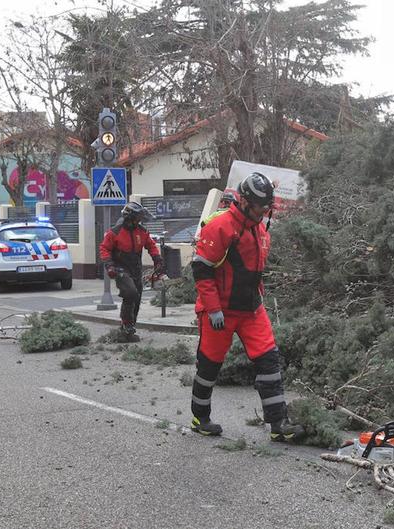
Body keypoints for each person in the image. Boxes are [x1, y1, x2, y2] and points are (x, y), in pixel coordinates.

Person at [190, 172, 304, 442]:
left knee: (269, 361)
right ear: (244, 203)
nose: (265, 212)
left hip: (251, 310)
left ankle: (278, 424)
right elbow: (202, 270)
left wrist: (258, 297)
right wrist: (213, 308)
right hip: (220, 311)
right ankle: (200, 417)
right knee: (209, 367)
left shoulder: (260, 229)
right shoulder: (220, 227)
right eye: (261, 207)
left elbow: (255, 270)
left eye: (268, 208)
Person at [99, 201, 163, 343]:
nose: (139, 221)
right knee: (130, 293)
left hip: (136, 268)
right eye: (137, 218)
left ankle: (129, 327)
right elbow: (104, 248)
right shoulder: (115, 232)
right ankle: (126, 325)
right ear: (130, 217)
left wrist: (157, 259)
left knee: (137, 297)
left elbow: (150, 245)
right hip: (120, 268)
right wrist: (109, 265)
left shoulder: (142, 231)